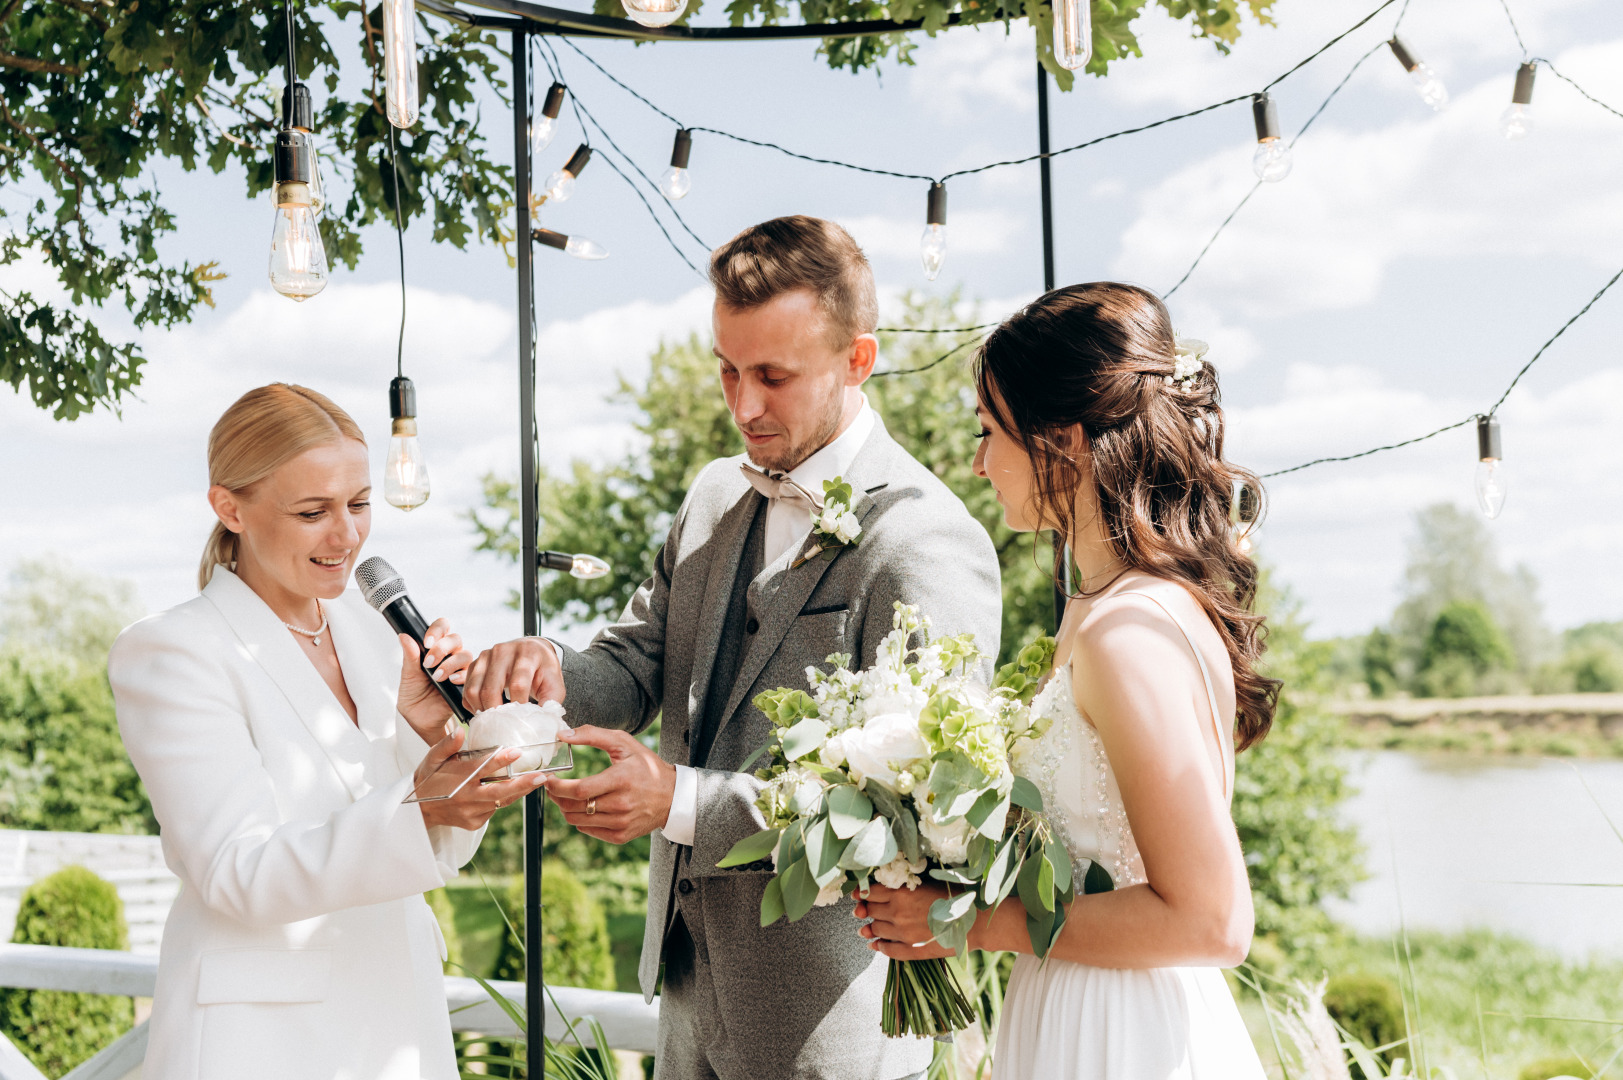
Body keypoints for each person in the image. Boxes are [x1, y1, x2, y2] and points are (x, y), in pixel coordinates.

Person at [464, 216, 1003, 1080]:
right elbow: (639, 660)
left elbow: (904, 810)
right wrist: (548, 674)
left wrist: (676, 800)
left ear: (857, 361)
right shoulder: (715, 494)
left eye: (773, 376)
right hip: (685, 1004)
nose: (743, 404)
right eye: (727, 369)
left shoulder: (925, 540)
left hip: (829, 1024)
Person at [854, 283, 1275, 1078]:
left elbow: (1212, 920)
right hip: (1073, 1002)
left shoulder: (1128, 633)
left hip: (1123, 1033)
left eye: (989, 432)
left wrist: (967, 922)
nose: (977, 463)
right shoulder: (1101, 610)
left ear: (1063, 442)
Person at [108, 384, 540, 1080]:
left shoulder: (373, 635)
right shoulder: (172, 652)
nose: (346, 536)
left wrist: (440, 737)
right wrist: (418, 805)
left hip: (399, 1025)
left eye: (359, 504)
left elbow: (437, 846)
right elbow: (235, 870)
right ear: (229, 508)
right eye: (313, 512)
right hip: (261, 1044)